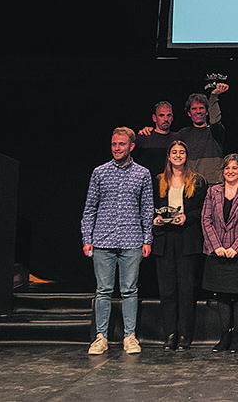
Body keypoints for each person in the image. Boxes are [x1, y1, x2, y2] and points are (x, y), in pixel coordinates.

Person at [81, 127, 153, 355]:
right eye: (114, 144)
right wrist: (87, 238)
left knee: (129, 290)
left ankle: (129, 337)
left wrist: (147, 239)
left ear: (132, 146)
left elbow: (147, 209)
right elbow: (90, 207)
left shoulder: (142, 174)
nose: (117, 148)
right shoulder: (99, 172)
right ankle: (100, 337)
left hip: (132, 240)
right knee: (103, 290)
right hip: (103, 240)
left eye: (121, 144)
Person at [152, 140, 207, 350]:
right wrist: (156, 219)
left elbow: (203, 210)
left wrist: (187, 217)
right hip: (165, 240)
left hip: (187, 239)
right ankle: (170, 333)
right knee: (167, 290)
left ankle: (184, 334)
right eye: (174, 152)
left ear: (186, 156)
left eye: (181, 152)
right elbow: (151, 207)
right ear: (168, 156)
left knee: (186, 290)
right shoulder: (158, 180)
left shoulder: (197, 181)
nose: (177, 155)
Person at [202, 154, 238, 353]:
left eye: (234, 168)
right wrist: (216, 246)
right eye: (227, 168)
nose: (230, 171)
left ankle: (237, 337)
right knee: (222, 295)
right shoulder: (212, 191)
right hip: (217, 252)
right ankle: (225, 335)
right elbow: (206, 220)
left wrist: (236, 248)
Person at [178, 84, 229, 184]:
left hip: (214, 183)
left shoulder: (216, 131)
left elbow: (215, 121)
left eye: (201, 108)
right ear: (189, 113)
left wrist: (213, 96)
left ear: (207, 111)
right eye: (194, 108)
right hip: (191, 183)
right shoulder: (183, 133)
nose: (198, 112)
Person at [133, 101, 180, 177]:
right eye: (161, 115)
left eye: (169, 115)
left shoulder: (177, 138)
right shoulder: (144, 137)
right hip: (147, 182)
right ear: (154, 118)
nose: (166, 119)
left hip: (171, 181)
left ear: (172, 117)